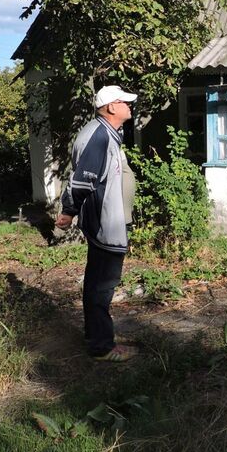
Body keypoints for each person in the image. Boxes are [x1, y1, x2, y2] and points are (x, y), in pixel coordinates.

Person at [55, 85, 139, 362]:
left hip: (109, 221)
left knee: (99, 283)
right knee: (102, 285)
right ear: (111, 107)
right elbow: (82, 181)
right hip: (105, 224)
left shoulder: (107, 133)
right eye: (124, 102)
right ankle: (102, 346)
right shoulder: (99, 136)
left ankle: (99, 335)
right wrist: (69, 210)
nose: (129, 106)